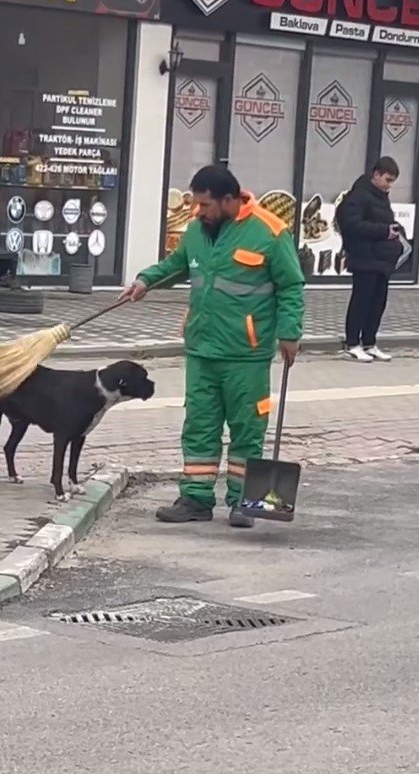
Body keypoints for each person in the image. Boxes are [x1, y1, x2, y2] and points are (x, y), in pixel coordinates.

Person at [121, 165, 304, 527]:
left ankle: (244, 502)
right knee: (199, 426)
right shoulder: (197, 230)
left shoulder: (270, 232)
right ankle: (195, 499)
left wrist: (290, 333)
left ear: (229, 200)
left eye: (205, 205)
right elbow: (177, 265)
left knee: (246, 428)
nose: (198, 212)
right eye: (196, 205)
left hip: (245, 354)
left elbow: (291, 286)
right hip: (202, 349)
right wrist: (146, 280)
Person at [336, 156, 402, 363]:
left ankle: (369, 343)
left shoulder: (382, 197)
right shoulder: (358, 196)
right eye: (388, 180)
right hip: (364, 257)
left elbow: (383, 221)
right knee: (361, 302)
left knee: (377, 303)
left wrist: (394, 230)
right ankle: (352, 343)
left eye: (392, 181)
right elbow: (352, 225)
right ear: (376, 175)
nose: (389, 185)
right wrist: (384, 231)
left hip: (381, 259)